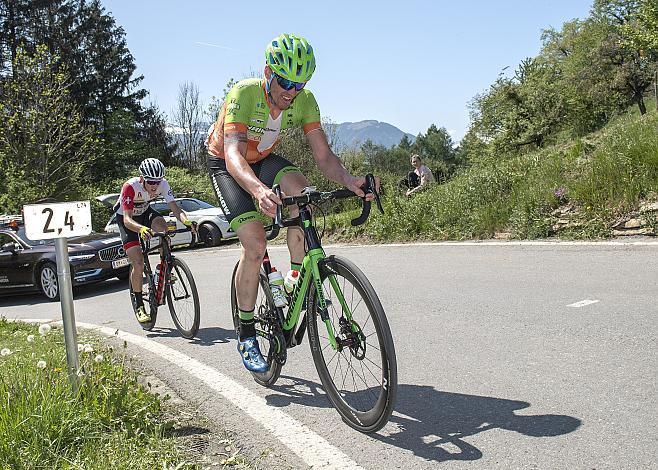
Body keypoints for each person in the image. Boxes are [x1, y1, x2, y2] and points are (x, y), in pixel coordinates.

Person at [206, 33, 377, 373]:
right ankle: (246, 332)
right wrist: (257, 192)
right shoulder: (244, 93)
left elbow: (324, 154)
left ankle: (296, 277)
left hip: (265, 158)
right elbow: (234, 155)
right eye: (285, 82)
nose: (291, 91)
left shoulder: (304, 100)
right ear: (268, 72)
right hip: (227, 163)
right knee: (255, 245)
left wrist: (349, 180)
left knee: (306, 197)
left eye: (299, 84)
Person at [116, 158, 196, 323]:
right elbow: (127, 220)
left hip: (145, 212)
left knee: (163, 228)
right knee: (137, 263)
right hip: (128, 220)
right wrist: (141, 229)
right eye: (151, 181)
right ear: (142, 178)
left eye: (157, 182)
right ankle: (139, 305)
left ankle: (164, 268)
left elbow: (175, 208)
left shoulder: (163, 184)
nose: (154, 185)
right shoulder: (130, 187)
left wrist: (187, 221)